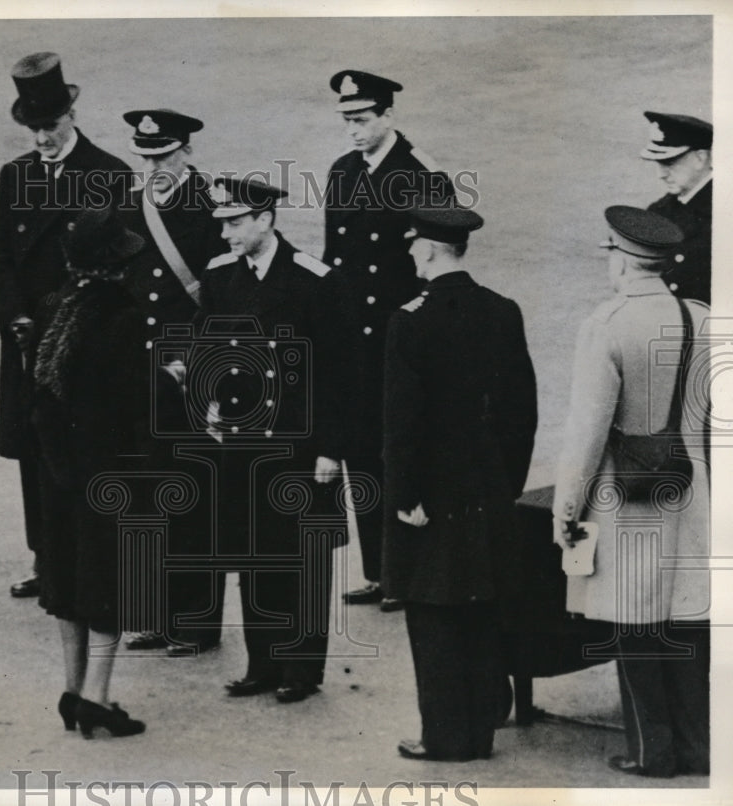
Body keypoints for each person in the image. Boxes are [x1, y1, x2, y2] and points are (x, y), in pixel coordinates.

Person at [553, 206, 710, 777]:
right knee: (687, 621)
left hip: (629, 497)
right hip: (691, 493)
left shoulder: (607, 324)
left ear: (621, 260)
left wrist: (566, 508)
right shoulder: (701, 317)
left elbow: (586, 434)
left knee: (635, 624)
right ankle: (699, 744)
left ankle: (652, 750)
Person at [191, 177, 357, 703]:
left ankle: (302, 670)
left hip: (302, 446)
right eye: (222, 223)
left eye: (235, 223)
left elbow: (340, 374)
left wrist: (332, 448)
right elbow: (205, 346)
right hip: (241, 445)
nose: (225, 234)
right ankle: (263, 661)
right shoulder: (219, 276)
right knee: (252, 553)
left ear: (266, 220)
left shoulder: (315, 280)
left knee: (302, 559)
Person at [383, 206, 537, 761]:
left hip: (432, 493)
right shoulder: (501, 310)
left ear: (426, 250)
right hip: (489, 486)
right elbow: (523, 411)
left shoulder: (411, 319)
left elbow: (403, 423)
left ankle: (446, 737)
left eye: (411, 246)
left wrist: (402, 496)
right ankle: (480, 731)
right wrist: (505, 481)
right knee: (481, 606)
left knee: (434, 613)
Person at [0, 52, 133, 599]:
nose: (42, 139)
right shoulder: (15, 175)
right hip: (28, 336)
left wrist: (74, 321)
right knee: (34, 448)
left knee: (85, 449)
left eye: (50, 126)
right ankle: (47, 559)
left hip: (82, 338)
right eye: (33, 129)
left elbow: (118, 263)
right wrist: (15, 317)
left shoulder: (109, 174)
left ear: (71, 117)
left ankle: (89, 563)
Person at [322, 70, 453, 610]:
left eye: (362, 120)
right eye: (347, 120)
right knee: (360, 452)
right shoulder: (342, 172)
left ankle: (410, 571)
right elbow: (336, 258)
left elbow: (436, 268)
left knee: (404, 452)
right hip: (356, 340)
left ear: (388, 116)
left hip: (401, 339)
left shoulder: (421, 176)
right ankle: (379, 571)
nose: (353, 131)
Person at [30, 206, 149, 739]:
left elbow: (43, 399)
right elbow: (132, 406)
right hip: (109, 474)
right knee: (107, 587)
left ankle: (72, 690)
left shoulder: (56, 309)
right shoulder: (124, 318)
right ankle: (98, 697)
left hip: (58, 474)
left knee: (67, 581)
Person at [116, 108, 227, 657]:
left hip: (189, 372)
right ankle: (150, 614)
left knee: (193, 500)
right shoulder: (128, 204)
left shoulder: (212, 207)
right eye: (146, 157)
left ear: (186, 152)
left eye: (163, 156)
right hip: (141, 372)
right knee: (143, 496)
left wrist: (194, 360)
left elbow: (221, 294)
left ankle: (195, 622)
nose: (154, 167)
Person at [639, 111, 712, 304]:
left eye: (669, 163)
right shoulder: (659, 212)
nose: (661, 175)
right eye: (657, 164)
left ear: (700, 158)